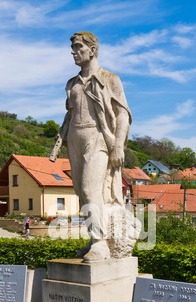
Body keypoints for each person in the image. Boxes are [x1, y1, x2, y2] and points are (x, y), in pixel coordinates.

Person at [50, 32, 132, 262]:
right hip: (74, 138)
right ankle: (94, 238)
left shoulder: (109, 79)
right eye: (73, 48)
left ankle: (100, 244)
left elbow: (123, 114)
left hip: (98, 137)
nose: (73, 52)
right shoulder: (72, 83)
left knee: (90, 189)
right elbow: (70, 114)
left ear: (93, 49)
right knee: (81, 193)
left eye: (78, 47)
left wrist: (118, 146)